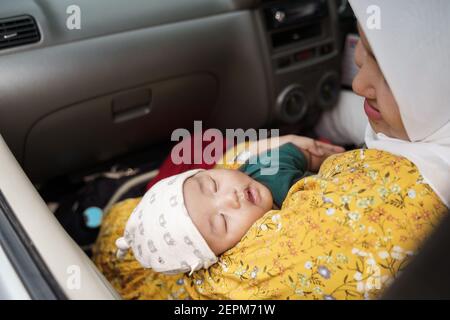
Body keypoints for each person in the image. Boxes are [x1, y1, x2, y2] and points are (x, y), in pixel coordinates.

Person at [92, 0, 449, 299]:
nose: (358, 82)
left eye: (382, 67)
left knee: (195, 148)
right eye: (363, 50)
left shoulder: (271, 182)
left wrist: (295, 152)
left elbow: (285, 159)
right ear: (214, 258)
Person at [114, 138, 344, 275]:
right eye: (222, 221)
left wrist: (333, 160)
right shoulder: (259, 251)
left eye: (213, 184)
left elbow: (306, 154)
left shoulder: (264, 168)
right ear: (222, 254)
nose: (231, 199)